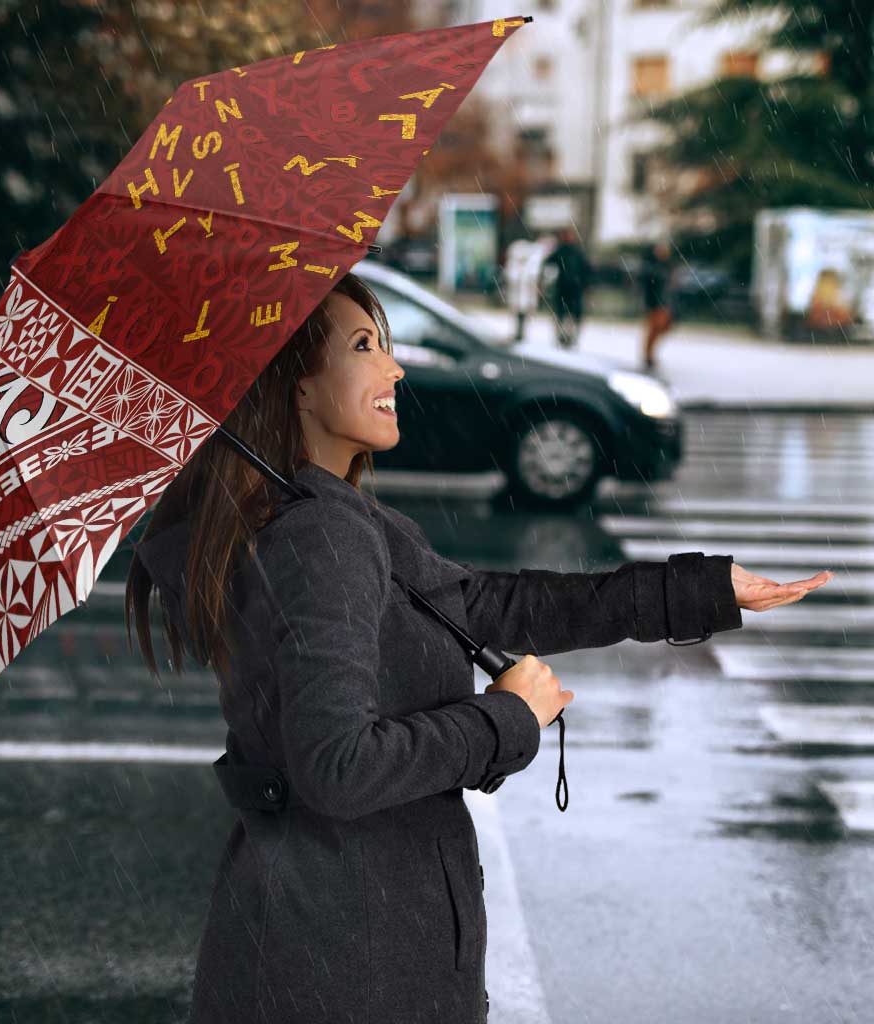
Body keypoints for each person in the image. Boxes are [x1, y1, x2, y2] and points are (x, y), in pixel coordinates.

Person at [126, 271, 764, 1024]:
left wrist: (700, 591)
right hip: (350, 962)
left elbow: (490, 605)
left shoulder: (327, 518)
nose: (394, 368)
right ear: (296, 385)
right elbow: (337, 768)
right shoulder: (320, 536)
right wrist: (504, 719)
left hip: (327, 941)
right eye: (364, 346)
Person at [542, 226, 592, 349]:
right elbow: (548, 264)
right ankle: (563, 337)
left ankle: (569, 337)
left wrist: (585, 284)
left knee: (570, 315)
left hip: (573, 288)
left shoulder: (575, 252)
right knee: (563, 314)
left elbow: (586, 270)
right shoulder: (562, 251)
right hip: (565, 288)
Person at [640, 239, 676, 371]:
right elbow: (649, 286)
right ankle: (648, 355)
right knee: (654, 329)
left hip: (664, 303)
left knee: (662, 328)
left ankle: (650, 354)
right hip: (655, 303)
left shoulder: (667, 266)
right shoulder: (652, 267)